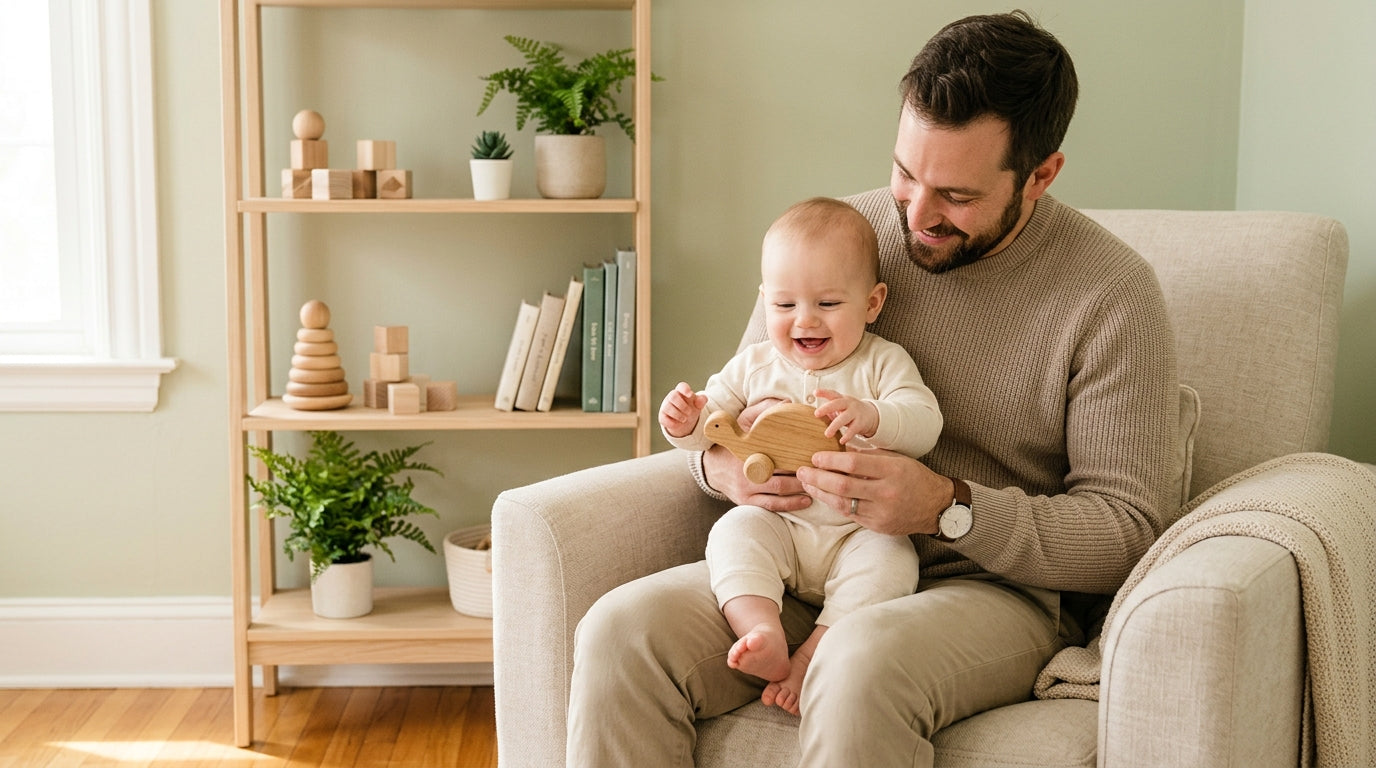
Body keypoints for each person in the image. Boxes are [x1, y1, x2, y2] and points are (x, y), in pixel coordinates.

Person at [566, 10, 1180, 767]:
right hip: (798, 552)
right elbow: (740, 398)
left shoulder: (1111, 294)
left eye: (956, 194)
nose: (917, 216)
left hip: (988, 591)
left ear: (1041, 174)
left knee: (854, 667)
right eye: (905, 173)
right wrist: (718, 466)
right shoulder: (839, 239)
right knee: (618, 634)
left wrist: (944, 508)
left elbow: (1128, 530)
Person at [659, 196, 943, 715]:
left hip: (861, 532)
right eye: (785, 306)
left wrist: (874, 415)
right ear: (764, 300)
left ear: (872, 303)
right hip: (780, 524)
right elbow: (713, 428)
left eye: (828, 304)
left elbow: (925, 422)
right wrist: (684, 423)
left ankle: (814, 650)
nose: (804, 321)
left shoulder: (882, 363)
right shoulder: (754, 365)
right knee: (732, 533)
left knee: (894, 565)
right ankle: (761, 630)